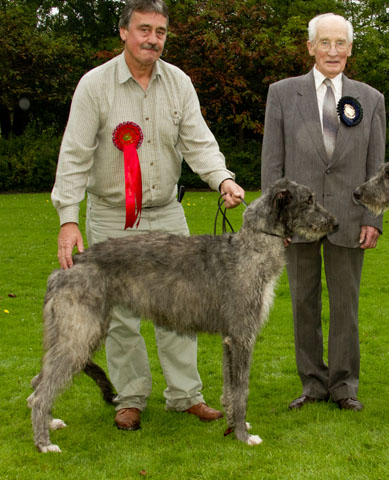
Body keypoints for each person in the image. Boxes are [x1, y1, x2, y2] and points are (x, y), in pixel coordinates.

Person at [51, 0, 246, 431]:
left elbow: (199, 141)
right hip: (111, 218)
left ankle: (185, 395)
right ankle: (131, 397)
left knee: (182, 307)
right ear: (123, 32)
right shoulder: (94, 86)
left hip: (168, 215)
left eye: (160, 31)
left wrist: (223, 179)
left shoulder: (179, 83)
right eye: (144, 29)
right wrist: (68, 216)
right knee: (121, 314)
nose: (152, 38)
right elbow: (75, 155)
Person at [261, 13, 386, 412]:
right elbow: (272, 163)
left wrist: (373, 217)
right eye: (325, 43)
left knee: (346, 306)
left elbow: (376, 167)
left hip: (351, 218)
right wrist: (272, 221)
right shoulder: (282, 94)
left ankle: (344, 385)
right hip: (297, 222)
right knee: (303, 303)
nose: (333, 51)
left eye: (341, 43)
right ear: (311, 47)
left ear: (350, 48)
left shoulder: (371, 99)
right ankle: (312, 383)